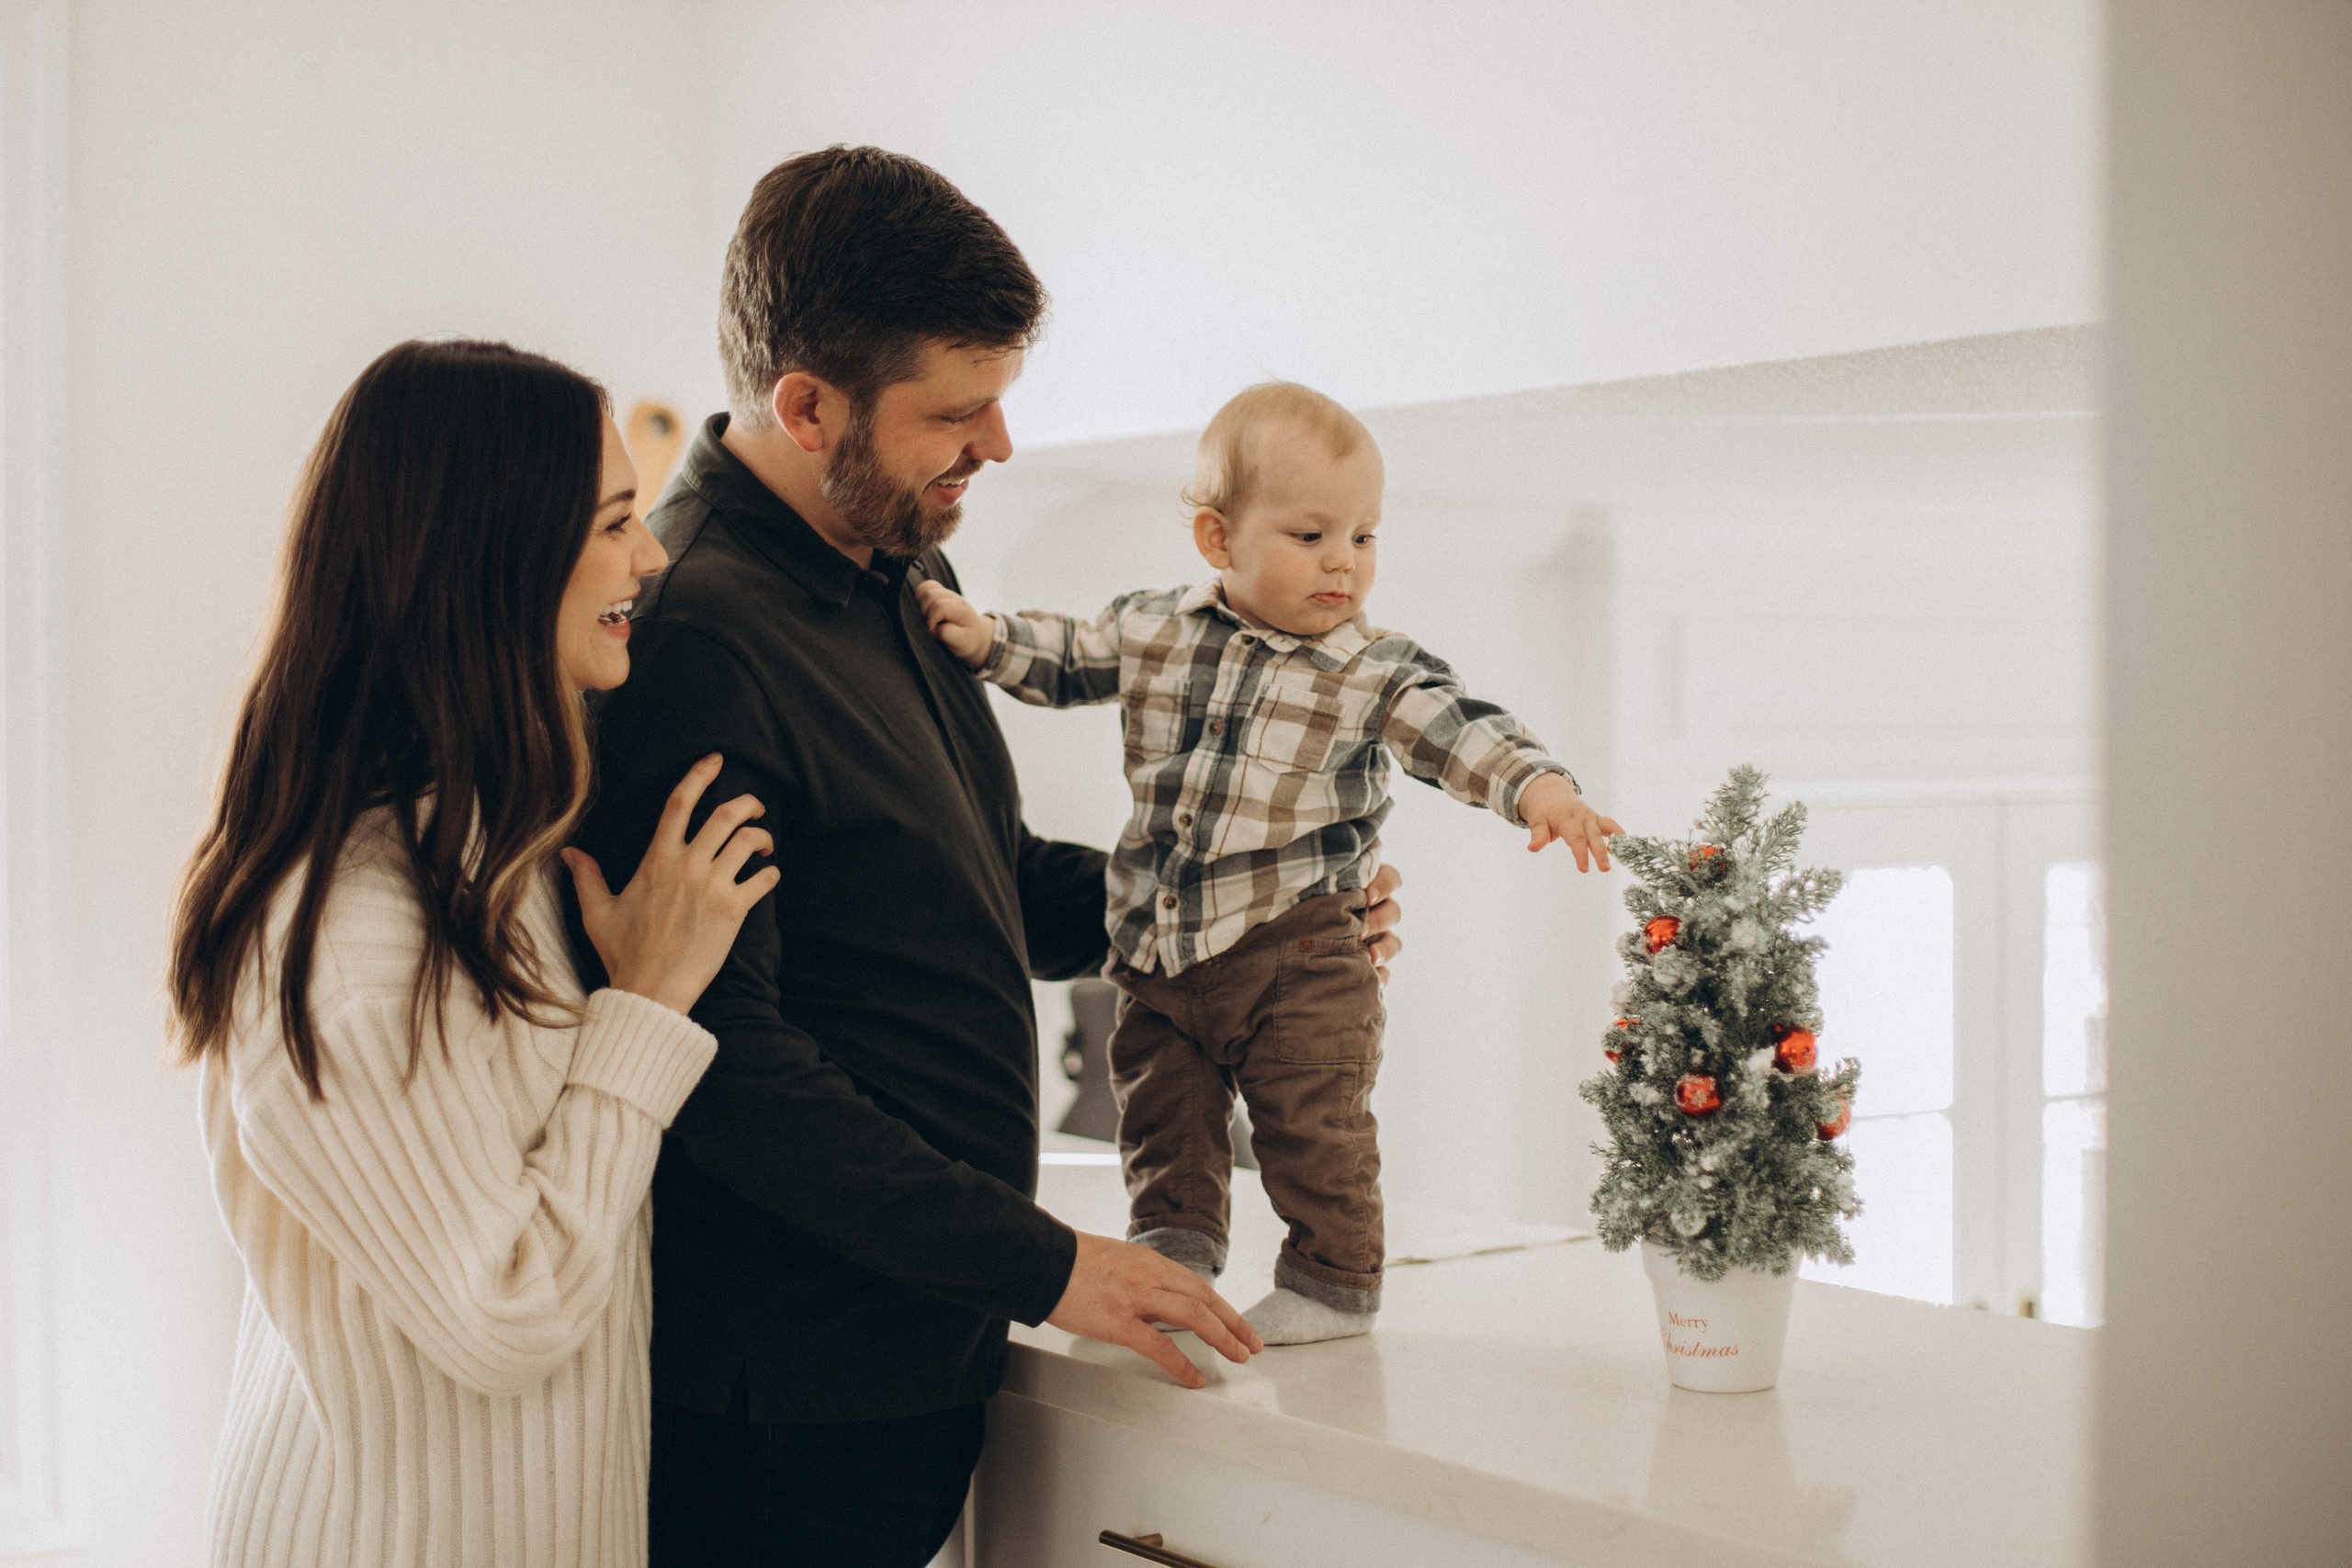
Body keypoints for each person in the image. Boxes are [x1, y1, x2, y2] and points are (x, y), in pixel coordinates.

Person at [569, 147, 1403, 1566]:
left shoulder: (908, 568)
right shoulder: (694, 635)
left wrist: (1239, 905)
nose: (1000, 446)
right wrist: (1053, 1262)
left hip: (917, 1348)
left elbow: (984, 881)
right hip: (785, 1397)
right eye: (957, 412)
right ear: (806, 403)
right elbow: (725, 1063)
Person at [170, 339, 780, 1568]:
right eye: (616, 522)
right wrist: (650, 1004)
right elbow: (509, 1306)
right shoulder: (349, 931)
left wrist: (609, 992)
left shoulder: (475, 864)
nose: (651, 556)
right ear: (490, 562)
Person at [915, 379, 1623, 1345]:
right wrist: (990, 639)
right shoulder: (1156, 627)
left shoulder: (1371, 668)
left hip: (1299, 954)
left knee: (1311, 1122)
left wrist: (1541, 790)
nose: (1343, 564)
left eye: (1363, 537)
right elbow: (1072, 656)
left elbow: (1460, 730)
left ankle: (1332, 1281)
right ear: (1218, 540)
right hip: (1163, 943)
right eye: (1310, 536)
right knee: (1162, 1106)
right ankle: (1174, 1241)